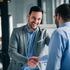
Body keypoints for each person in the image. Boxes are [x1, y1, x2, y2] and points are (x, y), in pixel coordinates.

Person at [7, 6, 50, 70]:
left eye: (39, 19)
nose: (36, 21)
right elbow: (11, 51)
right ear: (28, 16)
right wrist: (26, 61)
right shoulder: (16, 32)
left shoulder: (44, 33)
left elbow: (56, 48)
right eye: (34, 18)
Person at [30, 3, 70, 70]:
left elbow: (54, 64)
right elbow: (59, 56)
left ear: (58, 16)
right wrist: (39, 59)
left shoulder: (59, 33)